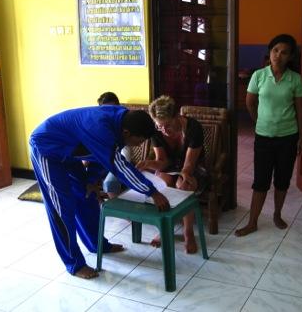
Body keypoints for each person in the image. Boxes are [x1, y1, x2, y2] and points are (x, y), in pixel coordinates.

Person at [29, 105, 170, 279]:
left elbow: (101, 154)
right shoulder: (100, 127)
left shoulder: (120, 122)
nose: (139, 145)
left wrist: (91, 180)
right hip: (47, 149)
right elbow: (119, 166)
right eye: (139, 141)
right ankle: (74, 264)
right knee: (61, 208)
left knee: (87, 195)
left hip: (70, 150)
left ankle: (97, 245)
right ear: (126, 133)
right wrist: (152, 192)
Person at [235, 34, 302, 237]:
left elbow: (301, 110)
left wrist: (301, 136)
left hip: (288, 136)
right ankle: (252, 222)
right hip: (264, 136)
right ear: (270, 52)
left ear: (290, 56)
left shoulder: (296, 79)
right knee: (260, 181)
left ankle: (277, 214)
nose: (278, 55)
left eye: (284, 52)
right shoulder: (258, 75)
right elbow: (250, 102)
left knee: (282, 180)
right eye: (275, 50)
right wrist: (259, 121)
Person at [136, 95, 207, 253]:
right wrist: (148, 163)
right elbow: (163, 161)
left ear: (177, 117)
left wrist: (183, 175)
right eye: (159, 126)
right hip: (171, 166)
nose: (163, 130)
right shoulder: (156, 131)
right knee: (162, 184)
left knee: (183, 185)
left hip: (194, 166)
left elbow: (189, 165)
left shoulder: (193, 127)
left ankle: (188, 232)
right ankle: (164, 228)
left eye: (167, 125)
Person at [96, 92, 133, 198]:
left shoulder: (125, 119)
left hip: (120, 158)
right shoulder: (99, 122)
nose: (109, 112)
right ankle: (101, 210)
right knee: (83, 178)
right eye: (105, 109)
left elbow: (126, 151)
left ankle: (115, 212)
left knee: (110, 183)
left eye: (112, 108)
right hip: (102, 159)